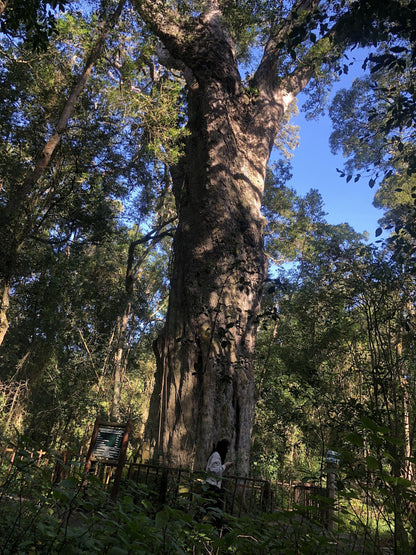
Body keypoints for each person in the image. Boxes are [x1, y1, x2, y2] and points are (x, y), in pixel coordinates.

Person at [204, 439, 234, 530]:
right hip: (211, 486)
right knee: (208, 508)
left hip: (214, 486)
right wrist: (224, 465)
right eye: (226, 448)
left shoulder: (218, 456)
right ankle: (217, 528)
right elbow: (213, 470)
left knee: (213, 509)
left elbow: (219, 472)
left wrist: (226, 468)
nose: (227, 451)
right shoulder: (216, 455)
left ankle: (217, 528)